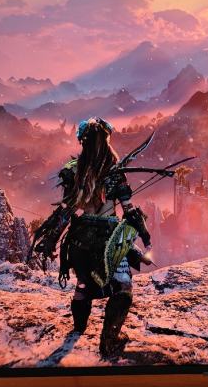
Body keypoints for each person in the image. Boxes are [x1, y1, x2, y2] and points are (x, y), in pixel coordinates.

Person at [46, 118, 153, 358]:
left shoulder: (74, 170)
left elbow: (66, 209)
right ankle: (109, 341)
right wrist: (144, 235)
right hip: (108, 238)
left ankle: (79, 328)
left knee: (83, 285)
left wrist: (51, 238)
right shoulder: (113, 172)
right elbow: (129, 210)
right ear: (106, 141)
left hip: (80, 238)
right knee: (122, 288)